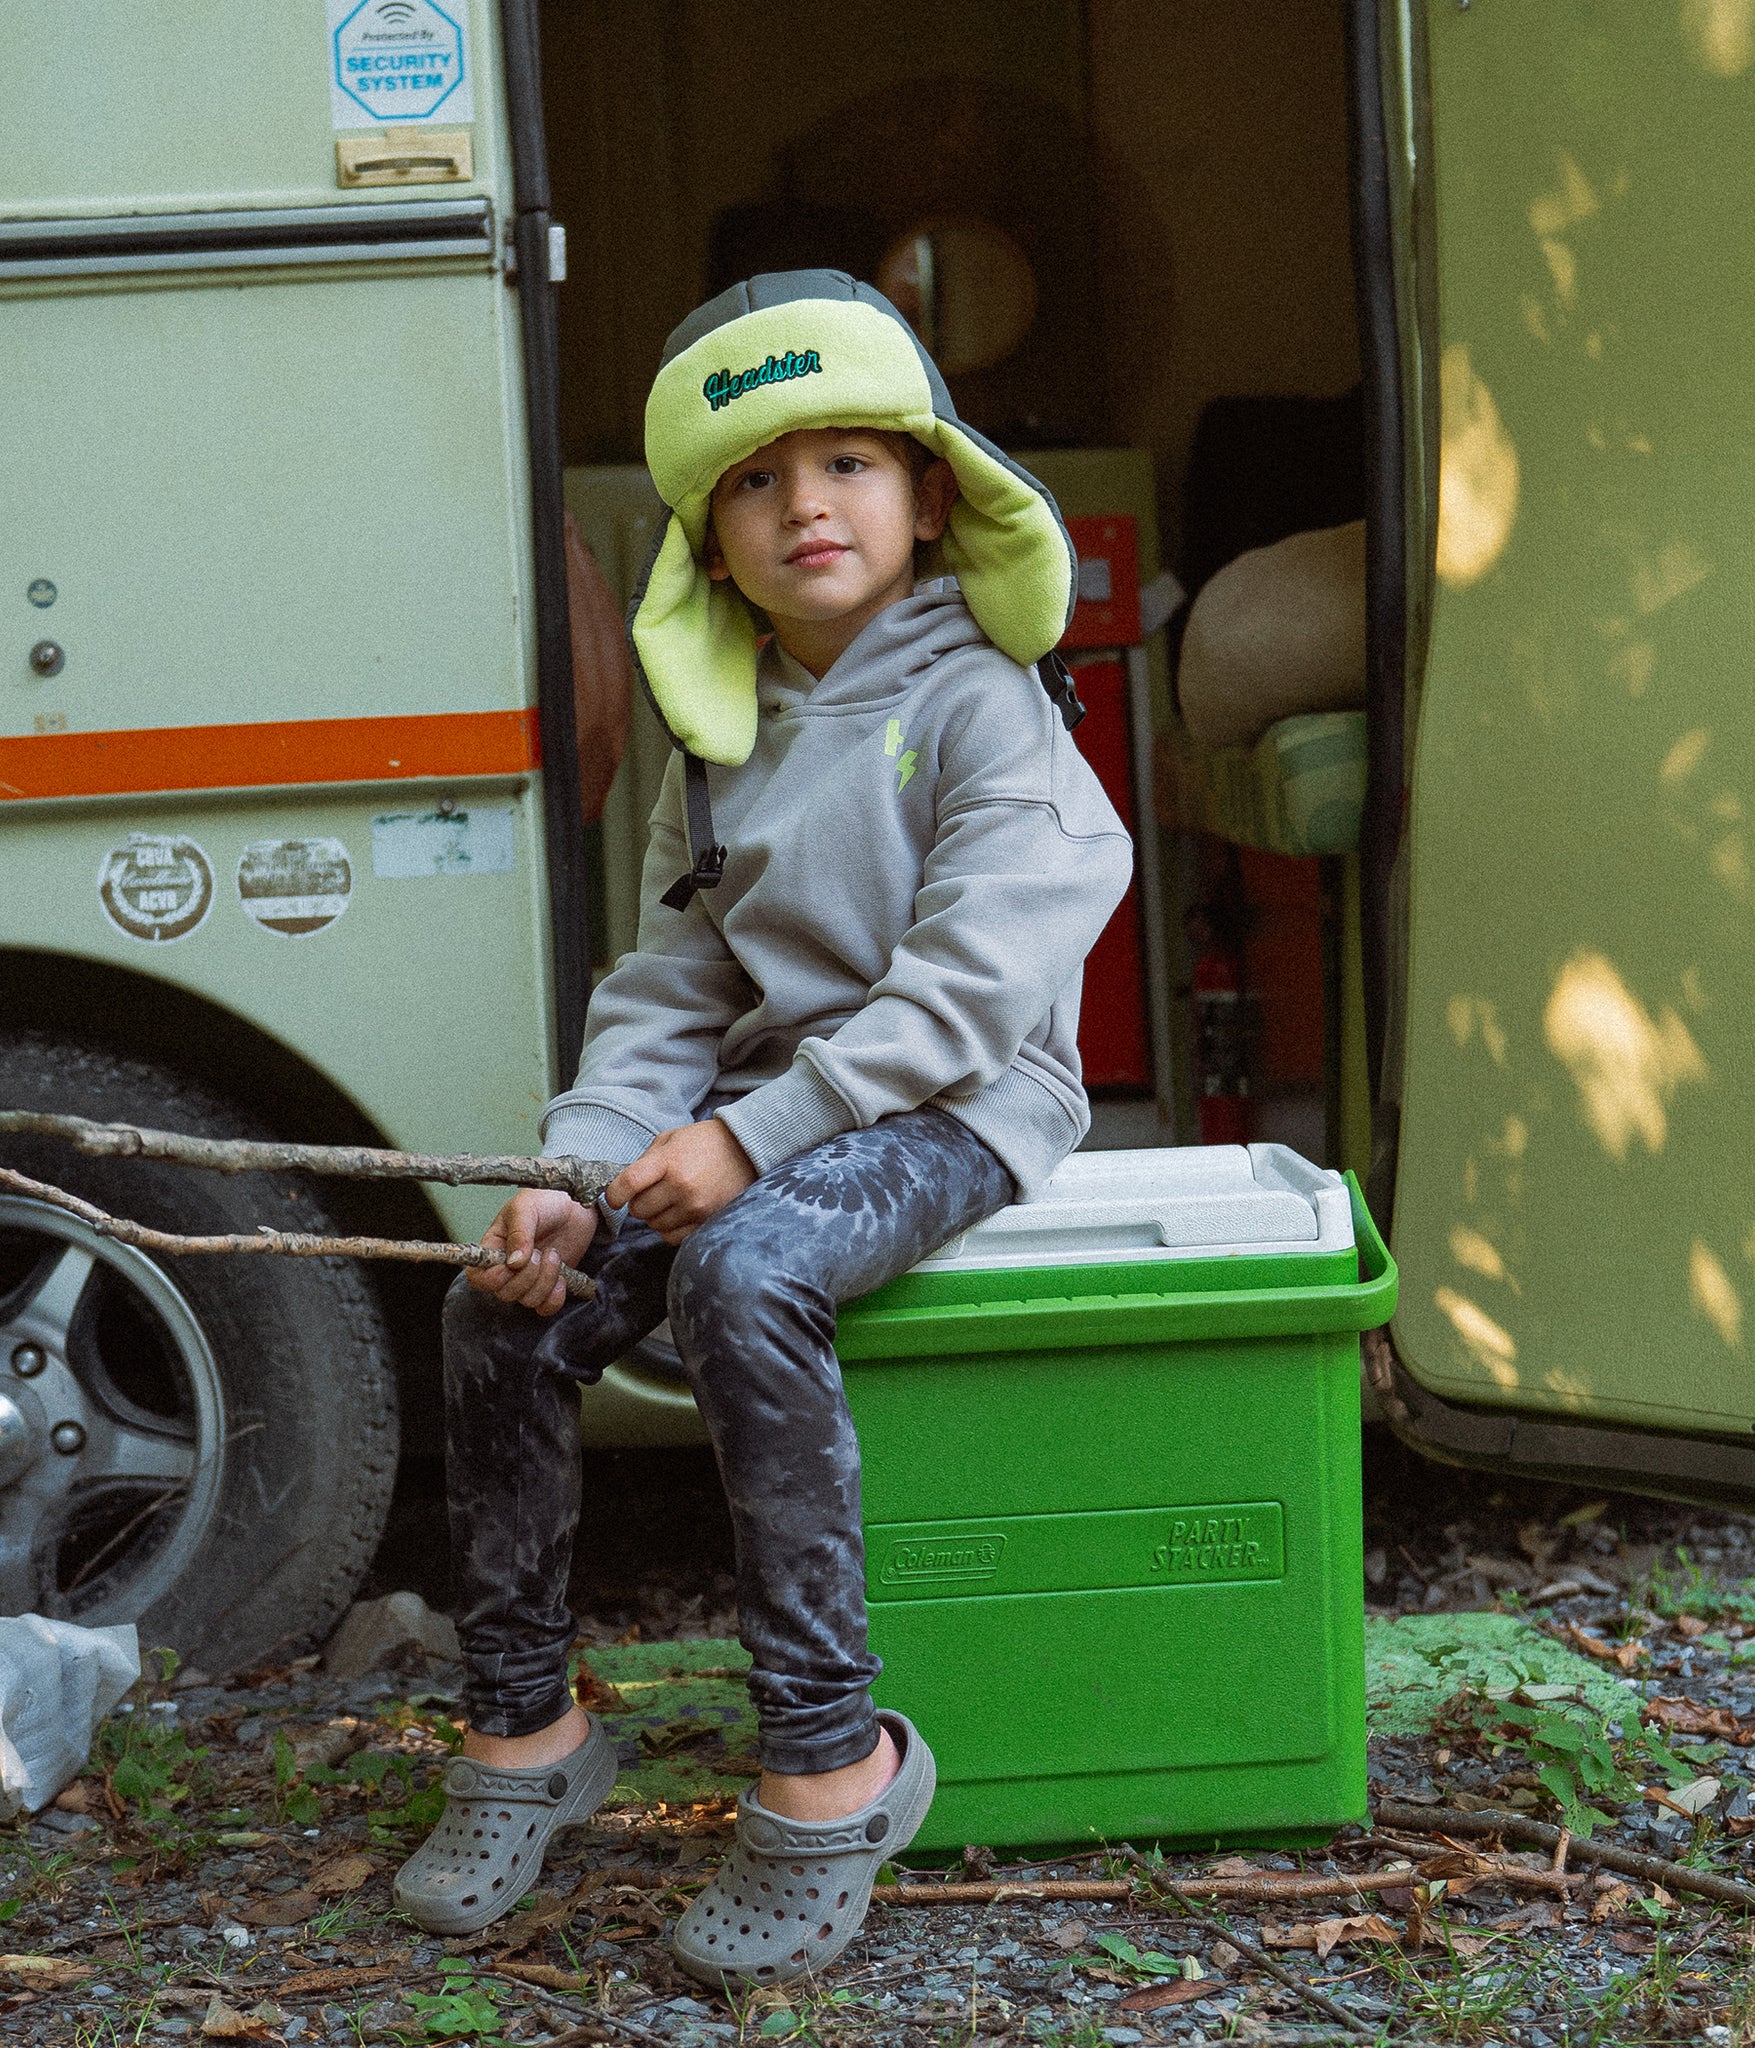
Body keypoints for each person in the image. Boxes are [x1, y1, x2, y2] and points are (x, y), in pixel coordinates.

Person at [393, 271, 1133, 1987]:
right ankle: (525, 1736)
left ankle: (830, 1760)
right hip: (772, 1103)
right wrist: (581, 1176)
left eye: (851, 463)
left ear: (930, 495)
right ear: (705, 540)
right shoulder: (717, 739)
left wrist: (759, 1138)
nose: (805, 504)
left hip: (961, 1097)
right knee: (497, 1309)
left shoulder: (983, 707)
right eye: (752, 478)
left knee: (744, 1275)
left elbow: (974, 985)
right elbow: (667, 983)